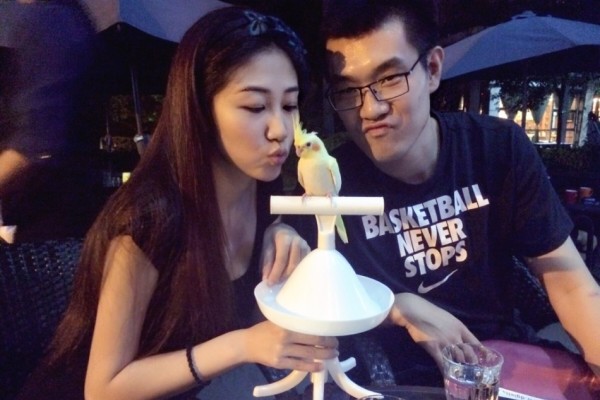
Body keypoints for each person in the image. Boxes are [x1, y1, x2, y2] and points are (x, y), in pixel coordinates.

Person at [17, 6, 337, 400]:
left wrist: (282, 248)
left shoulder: (264, 200)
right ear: (200, 109)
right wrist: (241, 345)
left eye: (289, 106)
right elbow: (103, 388)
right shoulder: (149, 220)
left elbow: (256, 327)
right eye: (255, 107)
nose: (280, 130)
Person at [291, 0, 600, 387]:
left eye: (390, 78)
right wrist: (396, 306)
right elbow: (312, 303)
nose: (370, 109)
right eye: (348, 89)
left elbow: (571, 284)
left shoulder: (496, 149)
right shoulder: (328, 183)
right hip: (398, 382)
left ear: (433, 69)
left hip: (499, 367)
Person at [0, 0, 103, 243]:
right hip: (69, 217)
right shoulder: (65, 17)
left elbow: (36, 143)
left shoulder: (48, 20)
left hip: (47, 225)